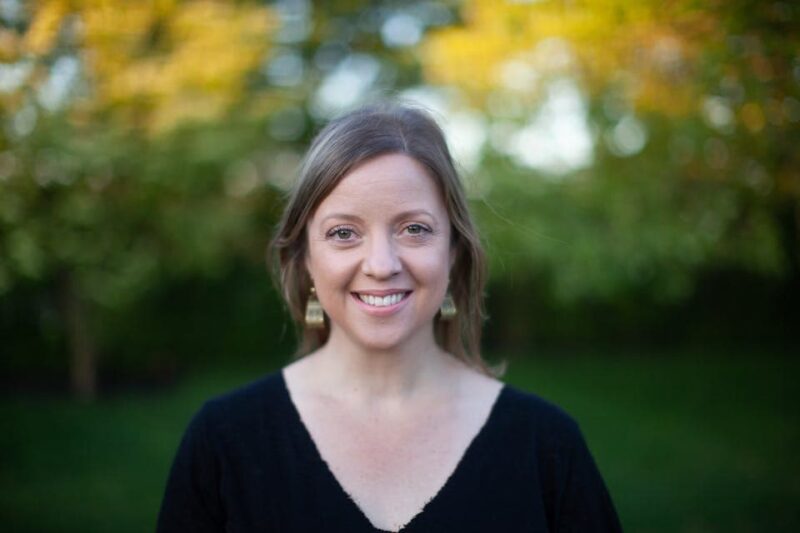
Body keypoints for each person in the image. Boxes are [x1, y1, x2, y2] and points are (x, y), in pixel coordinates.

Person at [157, 103, 622, 532]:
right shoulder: (222, 443)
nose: (381, 264)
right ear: (304, 259)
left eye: (414, 229)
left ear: (454, 252)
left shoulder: (546, 446)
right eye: (344, 233)